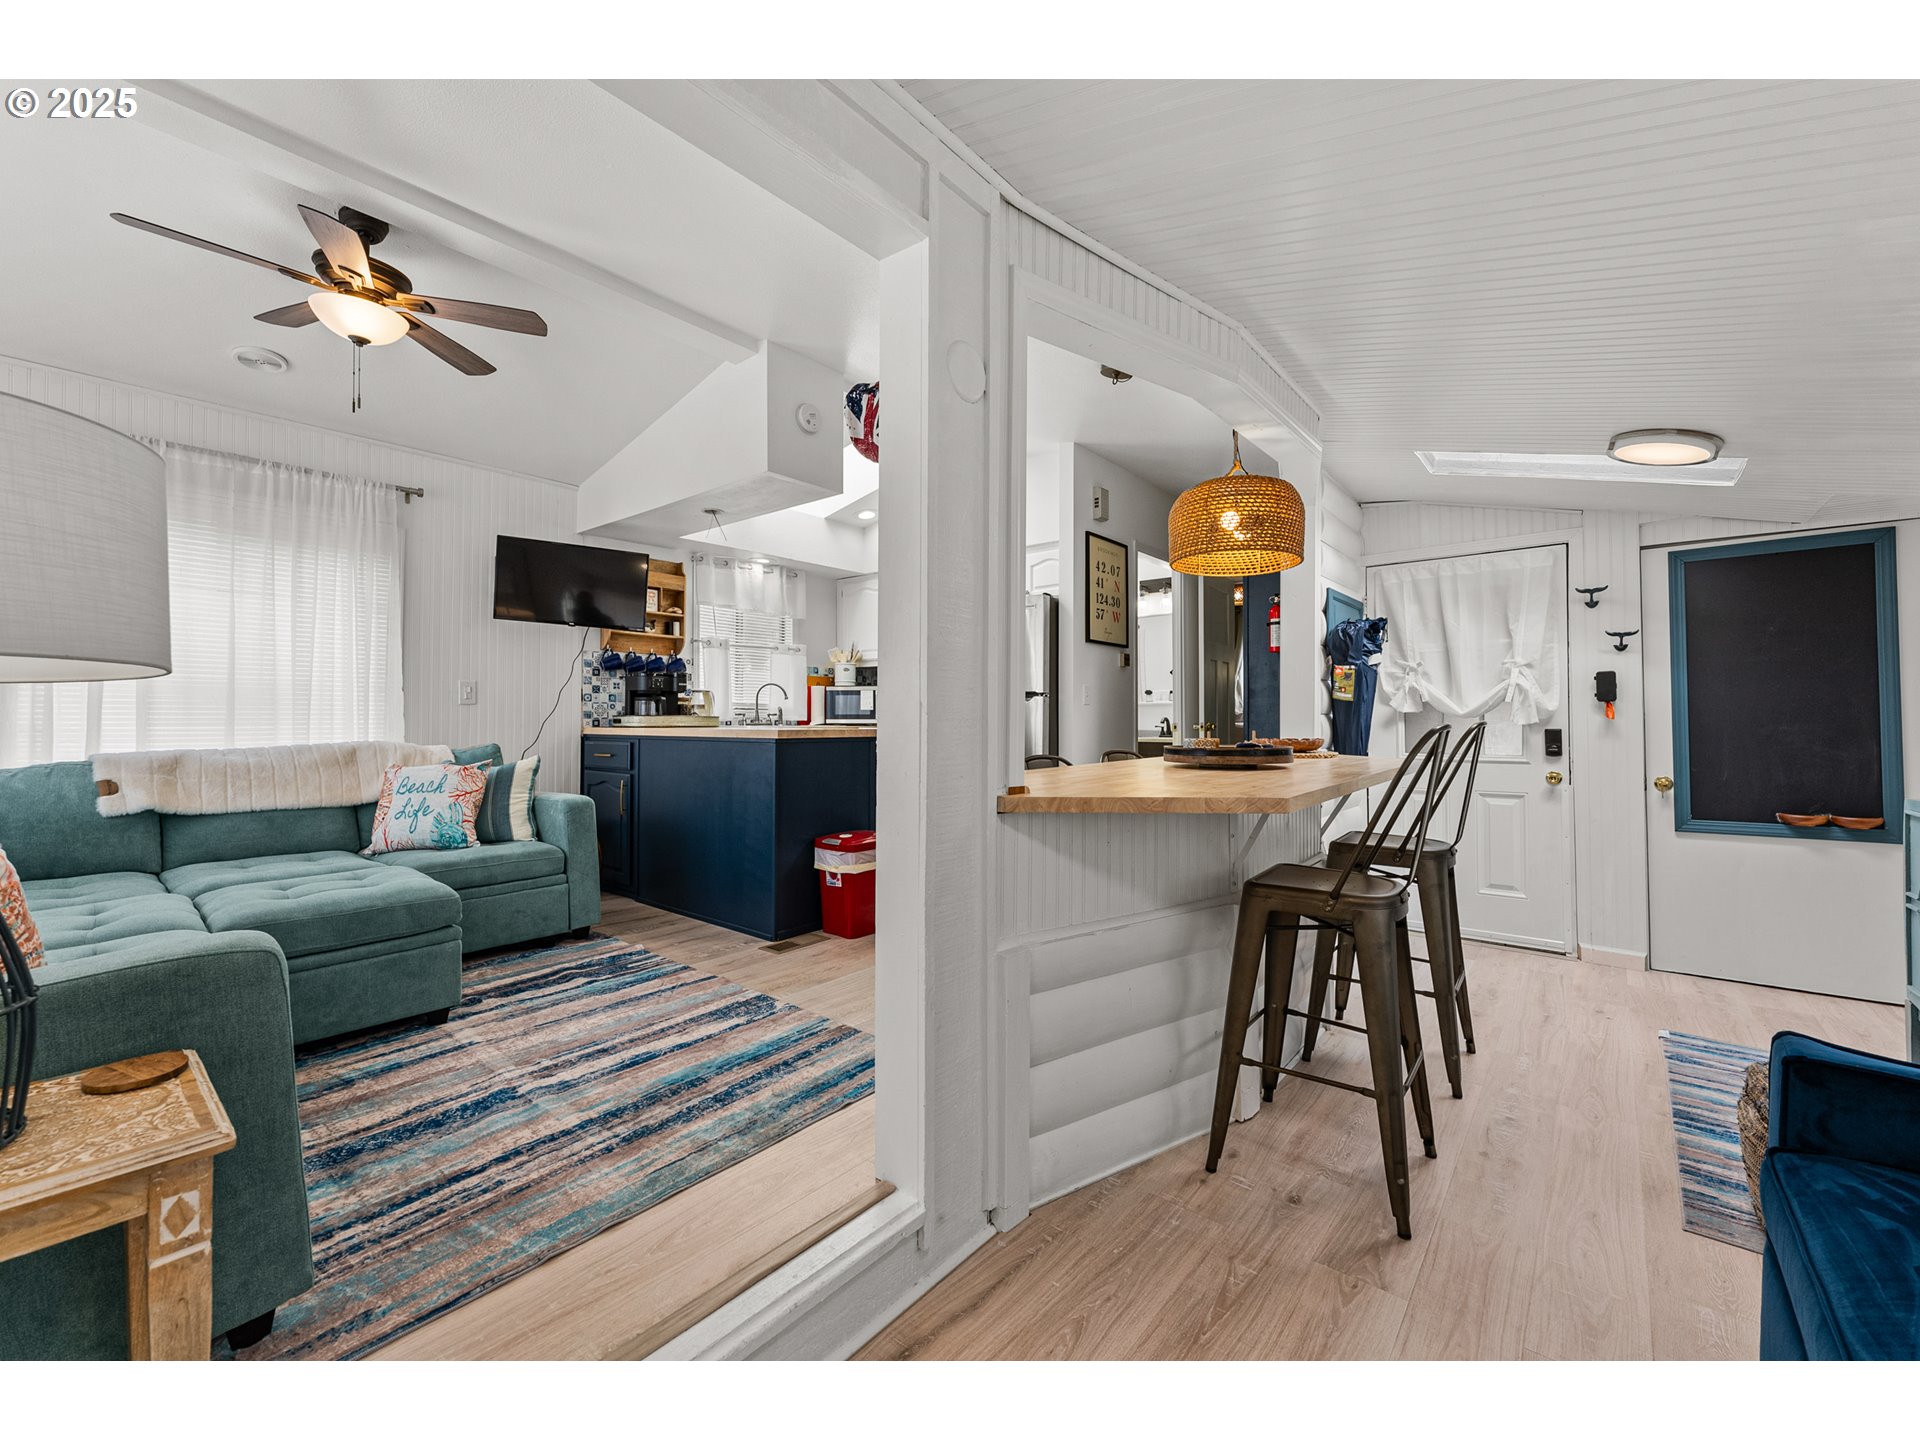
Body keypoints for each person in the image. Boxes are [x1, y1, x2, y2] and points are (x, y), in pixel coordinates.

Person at [1326, 615, 1388, 755]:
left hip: (1358, 666)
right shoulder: (1350, 632)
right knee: (1354, 719)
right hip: (1355, 667)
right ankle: (1354, 756)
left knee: (1359, 715)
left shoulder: (1353, 633)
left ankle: (1356, 755)